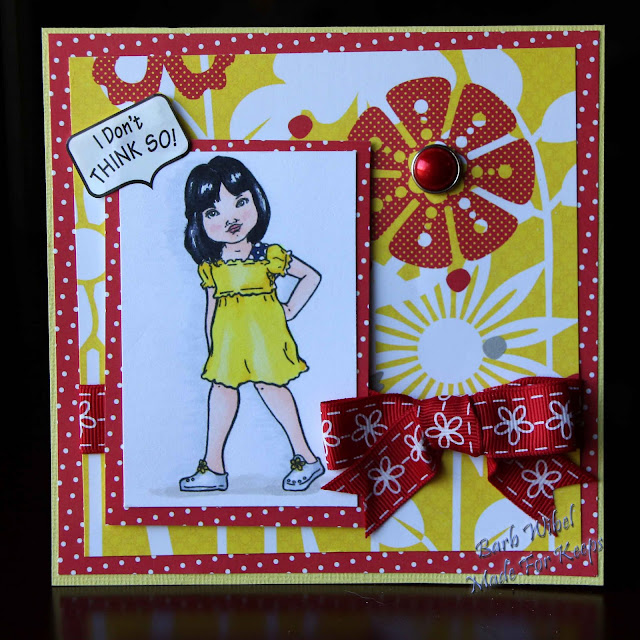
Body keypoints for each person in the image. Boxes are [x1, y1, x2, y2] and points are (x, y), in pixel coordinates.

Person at [179, 156, 324, 493]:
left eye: (240, 202)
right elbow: (211, 306)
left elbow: (310, 276)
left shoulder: (267, 255)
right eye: (213, 212)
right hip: (228, 339)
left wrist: (290, 309)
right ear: (199, 221)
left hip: (264, 335)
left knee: (270, 387)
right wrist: (211, 345)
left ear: (256, 201)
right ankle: (213, 467)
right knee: (221, 390)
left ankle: (306, 458)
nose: (230, 218)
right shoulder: (212, 265)